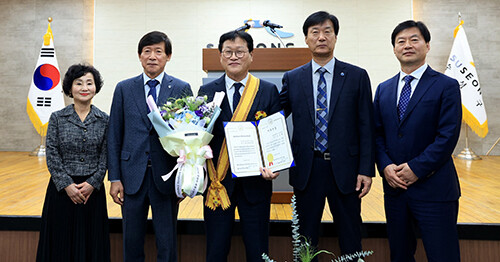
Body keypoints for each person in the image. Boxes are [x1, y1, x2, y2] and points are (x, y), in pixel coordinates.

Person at [279, 11, 375, 258]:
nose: (321, 37)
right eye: (315, 32)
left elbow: (366, 125)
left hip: (346, 170)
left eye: (327, 32)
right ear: (306, 39)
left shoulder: (356, 76)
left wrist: (366, 169)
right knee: (305, 239)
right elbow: (274, 119)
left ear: (335, 37)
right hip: (307, 169)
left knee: (351, 236)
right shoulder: (293, 77)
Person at [373, 20, 462, 262]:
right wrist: (385, 166)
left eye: (414, 39)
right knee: (400, 255)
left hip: (435, 190)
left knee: (443, 255)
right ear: (394, 49)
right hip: (395, 190)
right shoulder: (383, 89)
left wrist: (416, 169)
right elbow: (377, 134)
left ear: (427, 45)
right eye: (401, 41)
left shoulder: (447, 86)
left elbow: (447, 136)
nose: (407, 45)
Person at [107, 31, 192, 262]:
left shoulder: (181, 88)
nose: (152, 56)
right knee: (131, 241)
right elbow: (114, 134)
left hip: (166, 176)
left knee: (167, 242)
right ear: (139, 55)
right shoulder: (124, 88)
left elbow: (190, 136)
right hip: (130, 176)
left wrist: (185, 179)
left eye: (158, 51)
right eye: (147, 51)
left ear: (168, 56)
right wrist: (114, 177)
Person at [198, 30, 281, 262]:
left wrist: (274, 165)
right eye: (228, 52)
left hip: (256, 183)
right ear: (221, 56)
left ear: (251, 55)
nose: (234, 56)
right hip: (218, 185)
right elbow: (199, 135)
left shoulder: (267, 90)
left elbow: (275, 136)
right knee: (215, 251)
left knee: (258, 251)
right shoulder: (206, 93)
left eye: (240, 52)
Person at [36, 64, 110, 261]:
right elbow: (52, 153)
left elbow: (106, 155)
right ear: (70, 88)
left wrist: (93, 183)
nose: (84, 87)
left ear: (96, 87)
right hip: (62, 192)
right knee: (60, 243)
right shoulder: (58, 118)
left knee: (91, 244)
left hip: (92, 192)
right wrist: (67, 185)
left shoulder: (104, 120)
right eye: (79, 83)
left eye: (89, 83)